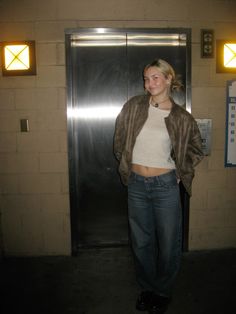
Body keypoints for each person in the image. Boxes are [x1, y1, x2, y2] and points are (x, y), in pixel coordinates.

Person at [113, 59, 204, 314]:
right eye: (146, 78)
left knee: (168, 243)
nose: (149, 83)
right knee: (141, 242)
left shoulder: (181, 116)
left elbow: (197, 148)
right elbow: (119, 137)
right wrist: (126, 162)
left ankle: (162, 291)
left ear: (168, 79)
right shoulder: (133, 107)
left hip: (165, 185)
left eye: (154, 77)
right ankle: (147, 288)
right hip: (136, 185)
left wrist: (179, 170)